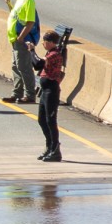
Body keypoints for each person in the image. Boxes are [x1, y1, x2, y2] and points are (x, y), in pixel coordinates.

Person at [3, 0, 40, 104]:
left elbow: (30, 22)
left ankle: (30, 95)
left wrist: (21, 37)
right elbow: (17, 16)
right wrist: (9, 4)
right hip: (15, 39)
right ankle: (16, 93)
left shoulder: (28, 0)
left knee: (23, 67)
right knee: (16, 66)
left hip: (22, 39)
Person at [35, 30, 65, 162]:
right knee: (42, 119)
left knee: (50, 120)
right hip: (44, 90)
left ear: (52, 43)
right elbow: (37, 66)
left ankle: (55, 150)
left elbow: (38, 64)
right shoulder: (49, 53)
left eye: (45, 42)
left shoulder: (54, 54)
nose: (43, 44)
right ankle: (49, 146)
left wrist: (31, 52)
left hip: (51, 90)